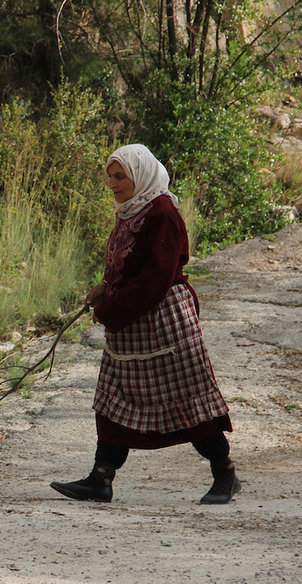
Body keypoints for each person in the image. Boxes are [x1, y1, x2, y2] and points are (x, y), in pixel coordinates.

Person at [50, 143, 239, 505]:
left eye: (120, 176)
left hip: (164, 322)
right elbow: (127, 264)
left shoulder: (163, 211)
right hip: (131, 324)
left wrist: (111, 310)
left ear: (141, 174)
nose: (113, 184)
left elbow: (156, 277)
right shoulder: (130, 210)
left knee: (187, 400)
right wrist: (105, 288)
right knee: (113, 400)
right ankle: (100, 479)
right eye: (110, 176)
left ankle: (225, 473)